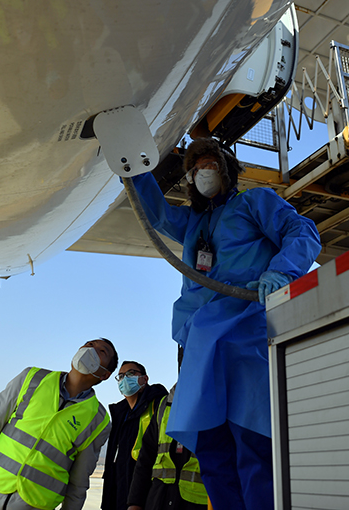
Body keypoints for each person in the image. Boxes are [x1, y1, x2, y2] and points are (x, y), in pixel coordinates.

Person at [130, 138, 321, 510]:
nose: (203, 172)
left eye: (210, 164)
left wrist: (281, 272)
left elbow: (303, 233)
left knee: (254, 439)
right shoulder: (192, 223)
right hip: (200, 345)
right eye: (196, 166)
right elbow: (155, 215)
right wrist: (132, 169)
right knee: (212, 447)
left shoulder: (255, 202)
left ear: (227, 170)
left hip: (246, 331)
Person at [0, 339, 118, 510]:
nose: (90, 349)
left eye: (102, 351)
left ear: (105, 375)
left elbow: (79, 480)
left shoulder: (98, 420)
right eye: (89, 344)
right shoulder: (32, 378)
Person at [127, 380, 208, 510]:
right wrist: (135, 503)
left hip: (197, 502)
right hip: (159, 499)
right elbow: (146, 459)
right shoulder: (164, 405)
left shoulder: (217, 403)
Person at [101, 361, 168, 510]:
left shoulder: (158, 406)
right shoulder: (120, 416)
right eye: (121, 376)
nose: (125, 379)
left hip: (148, 497)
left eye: (131, 373)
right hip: (120, 495)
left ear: (145, 379)